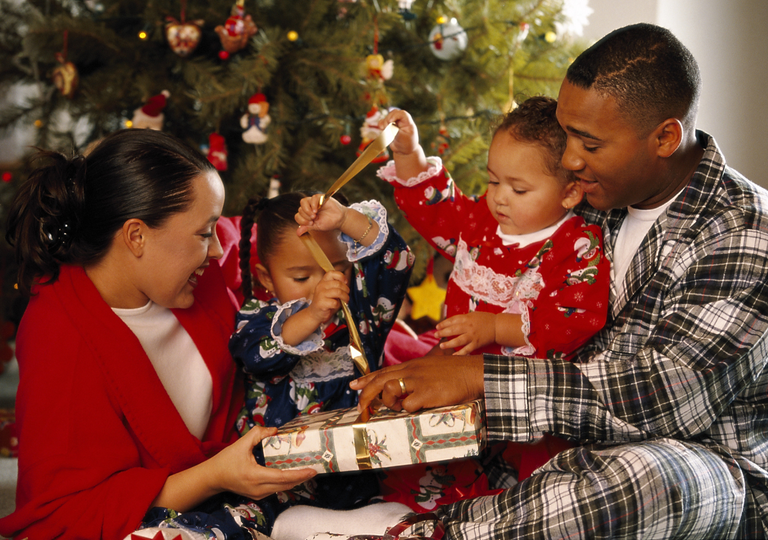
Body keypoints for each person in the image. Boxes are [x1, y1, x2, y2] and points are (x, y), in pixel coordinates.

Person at [350, 23, 768, 539]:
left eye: (589, 143)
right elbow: (464, 227)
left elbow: (668, 400)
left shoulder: (747, 231)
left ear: (665, 137)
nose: (569, 160)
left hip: (696, 469)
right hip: (554, 444)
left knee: (652, 479)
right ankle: (400, 514)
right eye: (567, 134)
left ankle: (416, 534)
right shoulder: (591, 197)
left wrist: (480, 376)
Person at [0, 129, 316, 539]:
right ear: (136, 236)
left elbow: (254, 243)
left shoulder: (190, 274)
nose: (219, 250)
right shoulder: (61, 340)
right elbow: (64, 513)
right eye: (205, 234)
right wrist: (214, 477)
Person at [375, 96, 610, 492]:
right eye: (493, 181)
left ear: (570, 193)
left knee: (490, 485)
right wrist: (410, 152)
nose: (499, 197)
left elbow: (572, 321)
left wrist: (497, 328)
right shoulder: (483, 220)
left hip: (510, 400)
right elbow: (439, 210)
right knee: (412, 456)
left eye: (518, 189)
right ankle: (402, 510)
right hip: (448, 373)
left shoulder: (576, 246)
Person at [230, 192, 414, 433]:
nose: (322, 286)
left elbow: (396, 261)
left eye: (337, 269)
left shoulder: (363, 313)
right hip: (281, 459)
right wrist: (313, 314)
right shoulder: (258, 318)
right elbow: (255, 357)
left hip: (361, 453)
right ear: (268, 278)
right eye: (301, 277)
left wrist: (346, 219)